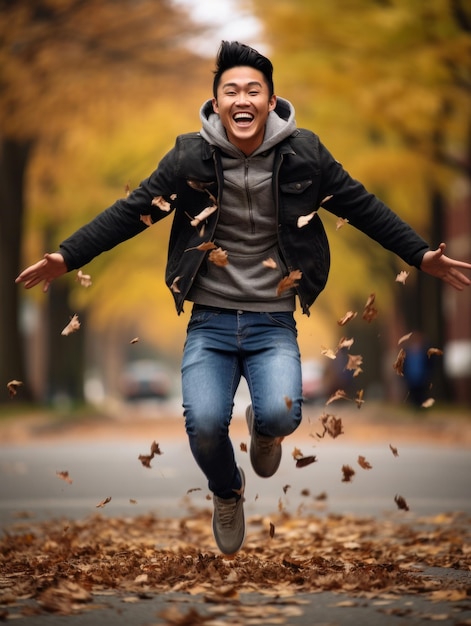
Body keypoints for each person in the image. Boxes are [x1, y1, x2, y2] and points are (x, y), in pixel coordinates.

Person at [16, 41, 471, 556]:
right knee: (205, 425)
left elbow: (363, 206)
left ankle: (265, 429)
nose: (242, 98)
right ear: (216, 103)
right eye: (231, 89)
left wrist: (420, 255)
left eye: (253, 89)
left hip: (272, 320)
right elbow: (132, 210)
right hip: (209, 320)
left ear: (272, 101)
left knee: (280, 415)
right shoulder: (190, 155)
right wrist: (67, 256)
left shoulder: (306, 154)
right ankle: (227, 490)